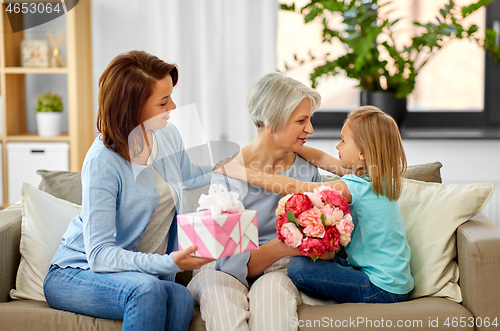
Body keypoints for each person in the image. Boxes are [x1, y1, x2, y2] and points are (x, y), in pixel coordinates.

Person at [43, 51, 214, 331]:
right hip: (76, 273)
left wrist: (237, 166)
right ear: (132, 108)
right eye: (163, 101)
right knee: (147, 289)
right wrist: (167, 261)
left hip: (134, 274)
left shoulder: (166, 136)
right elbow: (98, 255)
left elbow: (189, 175)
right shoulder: (103, 161)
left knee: (181, 297)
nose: (173, 105)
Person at [187, 72, 347, 331]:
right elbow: (231, 264)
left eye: (310, 119)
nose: (310, 129)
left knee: (272, 291)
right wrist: (289, 245)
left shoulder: (306, 170)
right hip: (223, 270)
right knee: (220, 296)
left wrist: (299, 246)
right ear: (272, 122)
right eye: (301, 120)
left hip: (279, 270)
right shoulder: (229, 174)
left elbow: (322, 246)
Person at [215, 105, 414, 304]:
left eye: (343, 141)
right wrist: (290, 145)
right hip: (393, 282)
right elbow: (320, 158)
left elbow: (295, 186)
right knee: (314, 257)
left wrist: (238, 171)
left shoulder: (356, 187)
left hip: (380, 288)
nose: (338, 146)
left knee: (300, 269)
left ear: (362, 153)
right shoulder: (381, 178)